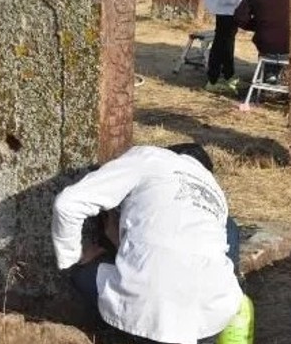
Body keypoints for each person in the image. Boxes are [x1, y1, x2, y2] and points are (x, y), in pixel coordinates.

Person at [52, 144, 242, 344]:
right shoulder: (215, 193)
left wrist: (73, 257)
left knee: (83, 274)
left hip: (148, 309)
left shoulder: (151, 158)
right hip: (212, 314)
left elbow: (67, 204)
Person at [234, 0, 290, 83]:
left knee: (270, 42)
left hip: (266, 44)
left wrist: (260, 24)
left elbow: (239, 17)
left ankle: (269, 73)